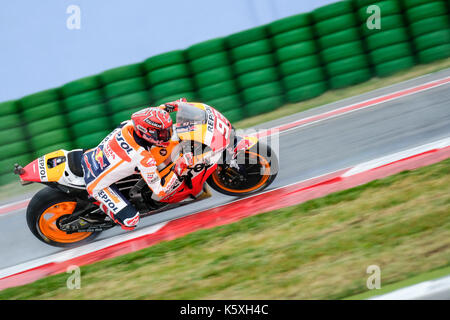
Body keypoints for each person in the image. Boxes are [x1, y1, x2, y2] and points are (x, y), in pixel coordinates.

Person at [81, 98, 193, 231]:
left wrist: (176, 105)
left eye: (167, 131)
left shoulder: (127, 125)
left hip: (90, 157)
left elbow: (154, 115)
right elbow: (160, 190)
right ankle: (100, 205)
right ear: (148, 133)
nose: (167, 136)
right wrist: (178, 167)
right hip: (96, 184)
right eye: (162, 134)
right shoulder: (143, 158)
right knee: (131, 221)